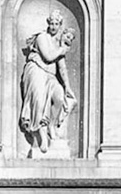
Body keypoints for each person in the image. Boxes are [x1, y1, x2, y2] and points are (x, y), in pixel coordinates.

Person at [18, 10, 77, 156]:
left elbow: (62, 69)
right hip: (36, 71)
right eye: (51, 23)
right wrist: (63, 49)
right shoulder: (42, 37)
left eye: (56, 24)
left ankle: (51, 126)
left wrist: (68, 87)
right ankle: (41, 134)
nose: (53, 26)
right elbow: (48, 56)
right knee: (38, 100)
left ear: (60, 25)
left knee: (60, 97)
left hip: (50, 76)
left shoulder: (58, 43)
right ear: (48, 23)